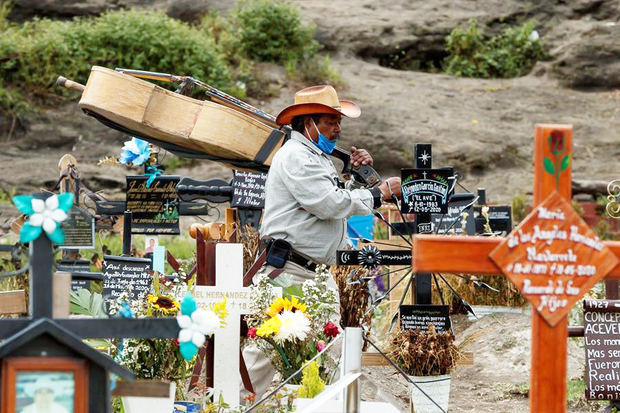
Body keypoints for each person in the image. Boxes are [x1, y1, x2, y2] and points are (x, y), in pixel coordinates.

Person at [242, 84, 401, 397]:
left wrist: (355, 177)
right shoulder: (297, 157)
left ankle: (325, 402)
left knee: (329, 346)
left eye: (338, 122)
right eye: (330, 121)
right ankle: (232, 404)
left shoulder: (313, 157)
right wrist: (374, 193)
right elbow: (329, 204)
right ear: (308, 123)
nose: (338, 129)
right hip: (288, 270)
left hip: (309, 272)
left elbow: (331, 200)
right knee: (267, 350)